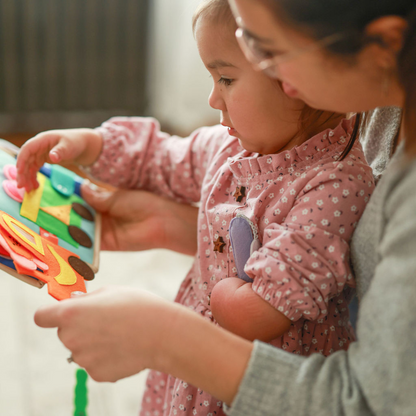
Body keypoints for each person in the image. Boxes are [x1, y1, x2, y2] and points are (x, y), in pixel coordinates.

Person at [32, 0, 416, 415]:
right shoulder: (233, 146)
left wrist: (168, 329)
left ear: (382, 42)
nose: (213, 98)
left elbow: (261, 311)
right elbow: (164, 157)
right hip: (206, 373)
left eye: (231, 76)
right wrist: (94, 145)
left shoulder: (336, 182)